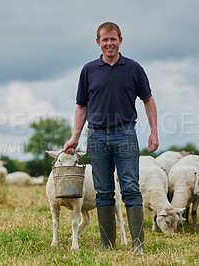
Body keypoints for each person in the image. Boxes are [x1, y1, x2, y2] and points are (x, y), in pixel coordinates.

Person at [63, 22, 158, 255]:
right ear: (98, 42)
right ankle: (107, 245)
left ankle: (138, 246)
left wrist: (154, 132)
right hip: (96, 136)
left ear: (120, 40)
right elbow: (81, 106)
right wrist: (75, 137)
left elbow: (148, 100)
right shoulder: (88, 70)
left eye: (113, 39)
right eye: (105, 40)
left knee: (130, 188)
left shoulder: (134, 68)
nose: (109, 43)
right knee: (103, 190)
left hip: (125, 133)